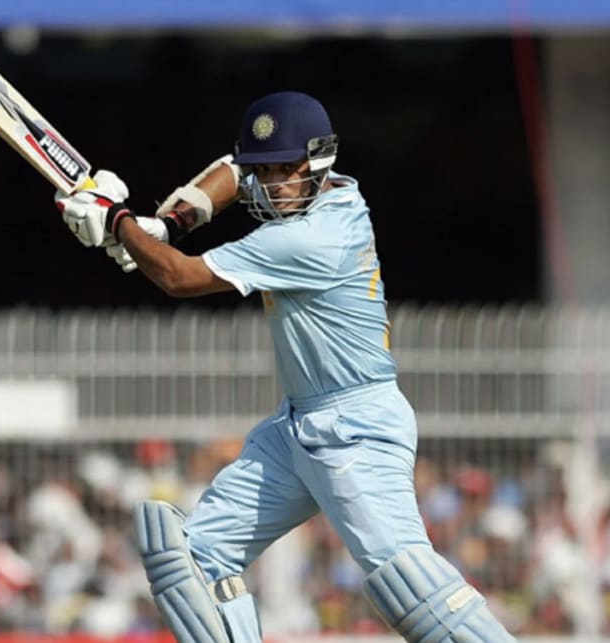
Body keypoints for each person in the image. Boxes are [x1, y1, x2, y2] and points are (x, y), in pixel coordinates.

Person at [54, 91, 517, 643]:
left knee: (410, 585)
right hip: (296, 426)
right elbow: (233, 171)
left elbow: (178, 278)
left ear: (317, 162)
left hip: (356, 428)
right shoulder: (318, 191)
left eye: (284, 170)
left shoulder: (311, 237)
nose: (271, 185)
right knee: (191, 560)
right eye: (265, 171)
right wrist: (168, 225)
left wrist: (119, 220)